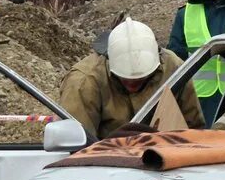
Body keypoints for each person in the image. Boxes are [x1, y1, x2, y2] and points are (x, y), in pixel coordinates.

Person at [60, 18, 204, 139]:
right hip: (105, 166)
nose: (133, 84)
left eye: (142, 78)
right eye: (125, 78)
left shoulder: (174, 69)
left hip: (163, 163)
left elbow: (194, 131)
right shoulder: (83, 82)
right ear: (110, 62)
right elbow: (76, 146)